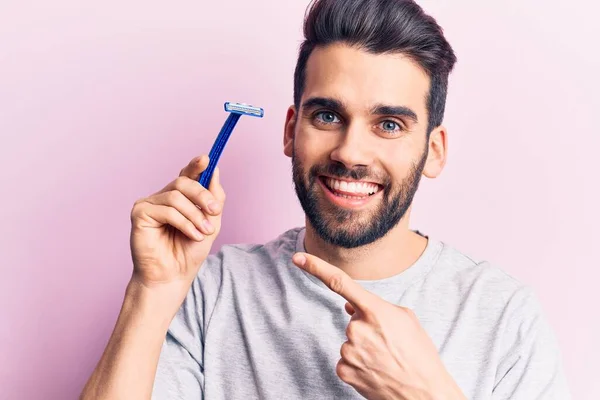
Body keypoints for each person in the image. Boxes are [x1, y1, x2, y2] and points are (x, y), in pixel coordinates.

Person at [81, 0, 571, 399]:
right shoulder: (211, 292)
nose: (351, 152)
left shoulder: (505, 318)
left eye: (390, 125)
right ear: (292, 131)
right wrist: (150, 292)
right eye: (328, 117)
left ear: (433, 152)